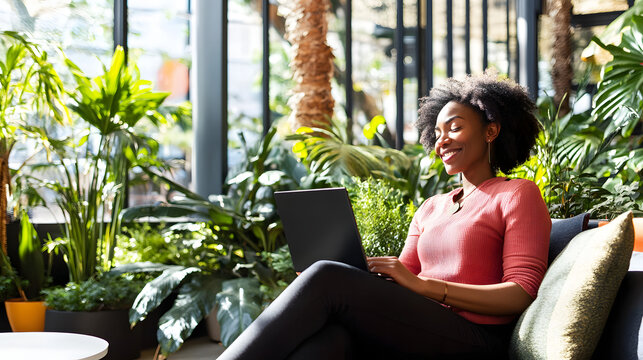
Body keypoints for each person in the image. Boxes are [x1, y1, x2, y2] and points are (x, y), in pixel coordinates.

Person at [218, 71, 551, 360]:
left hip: (477, 339)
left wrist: (425, 287)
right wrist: (361, 273)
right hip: (421, 326)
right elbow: (404, 278)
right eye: (436, 133)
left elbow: (519, 293)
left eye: (454, 128)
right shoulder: (432, 207)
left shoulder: (517, 194)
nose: (441, 141)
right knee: (329, 342)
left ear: (491, 132)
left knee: (326, 279)